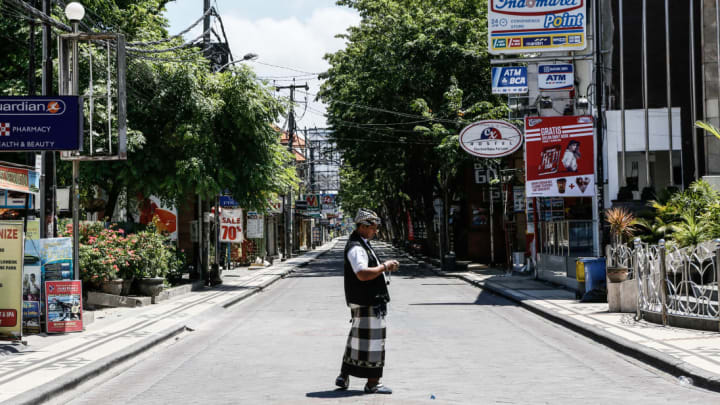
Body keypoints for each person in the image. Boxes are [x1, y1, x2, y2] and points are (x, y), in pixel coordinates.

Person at [335, 208, 399, 394]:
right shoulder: (356, 247)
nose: (376, 231)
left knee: (357, 338)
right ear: (363, 227)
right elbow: (362, 274)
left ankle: (344, 374)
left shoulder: (362, 243)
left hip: (366, 300)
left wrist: (382, 267)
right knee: (373, 341)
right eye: (373, 227)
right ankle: (373, 383)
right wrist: (385, 266)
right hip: (368, 301)